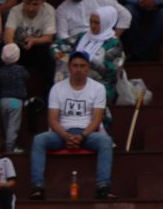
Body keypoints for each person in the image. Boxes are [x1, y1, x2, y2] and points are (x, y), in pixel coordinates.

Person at [29, 52, 115, 200]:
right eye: (75, 66)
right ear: (69, 67)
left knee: (105, 142)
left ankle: (103, 186)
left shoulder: (98, 88)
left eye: (82, 66)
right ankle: (37, 186)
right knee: (39, 140)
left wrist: (82, 136)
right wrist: (66, 136)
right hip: (62, 133)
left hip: (87, 133)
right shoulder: (57, 88)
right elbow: (52, 119)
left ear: (88, 68)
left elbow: (96, 119)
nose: (78, 69)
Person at [3, 0, 58, 85]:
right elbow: (8, 33)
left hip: (39, 46)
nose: (30, 8)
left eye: (35, 4)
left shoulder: (49, 10)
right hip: (19, 47)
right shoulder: (15, 10)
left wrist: (34, 40)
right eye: (27, 3)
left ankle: (47, 95)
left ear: (43, 1)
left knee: (50, 58)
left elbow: (48, 37)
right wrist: (12, 48)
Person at [0, 42, 34, 153]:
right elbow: (27, 76)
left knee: (7, 124)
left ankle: (9, 143)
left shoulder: (0, 71)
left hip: (3, 101)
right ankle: (10, 147)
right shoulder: (20, 70)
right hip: (15, 102)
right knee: (13, 124)